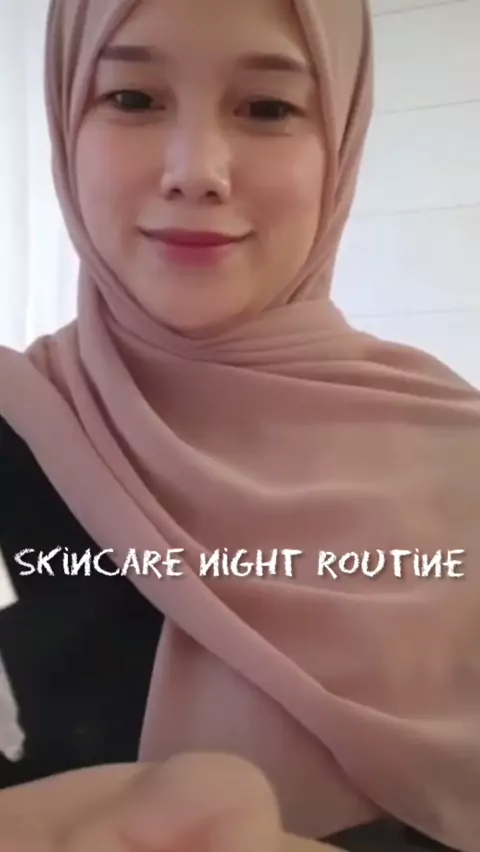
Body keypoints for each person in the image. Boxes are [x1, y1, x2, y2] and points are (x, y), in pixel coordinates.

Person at [0, 0, 478, 849]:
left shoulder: (460, 451)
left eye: (267, 108)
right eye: (133, 99)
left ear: (340, 144)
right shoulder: (18, 427)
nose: (197, 171)